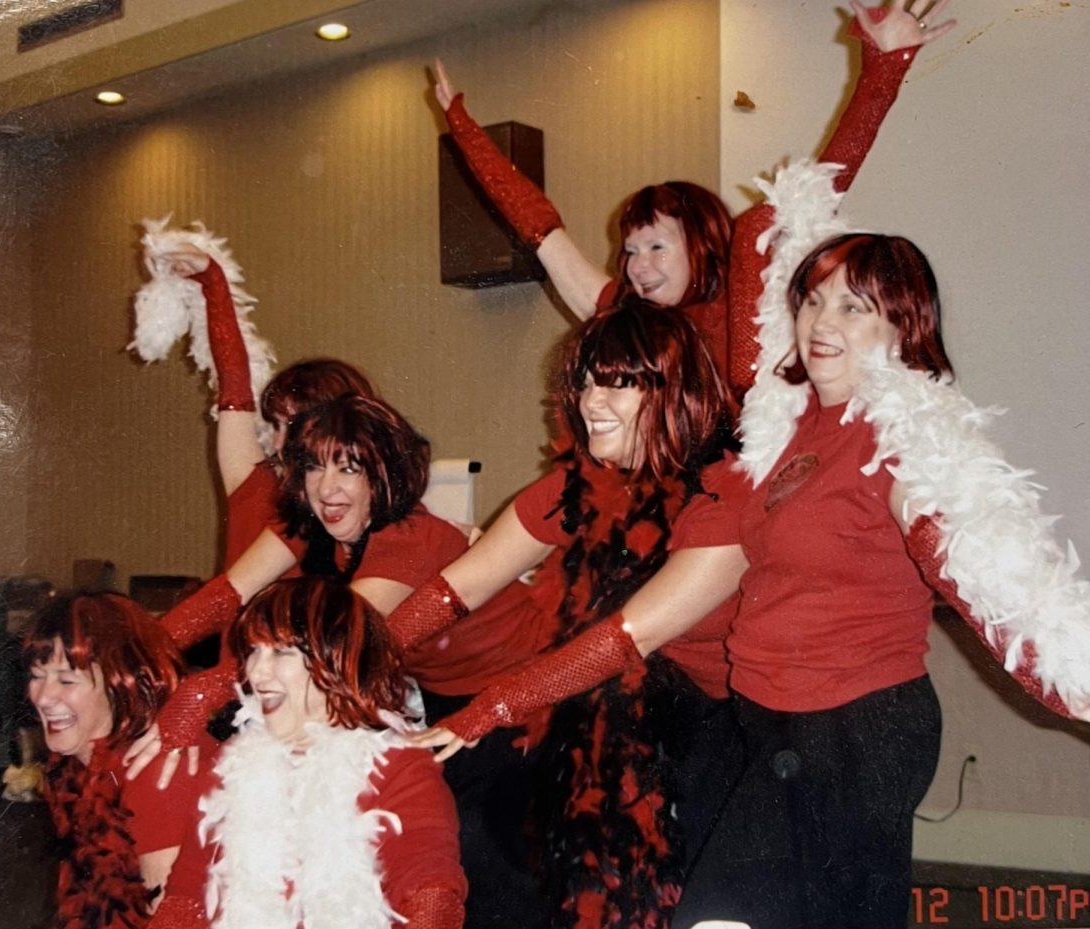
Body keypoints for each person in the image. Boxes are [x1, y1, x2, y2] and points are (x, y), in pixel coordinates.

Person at [679, 231, 1090, 928]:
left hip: (858, 731)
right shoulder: (790, 425)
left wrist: (1075, 684)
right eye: (813, 299)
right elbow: (759, 229)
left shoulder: (904, 438)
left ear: (903, 325)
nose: (822, 323)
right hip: (773, 726)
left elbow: (967, 568)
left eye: (856, 307)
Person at [386, 298, 749, 929]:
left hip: (730, 730)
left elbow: (626, 636)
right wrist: (346, 657)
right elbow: (457, 588)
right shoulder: (579, 487)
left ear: (674, 389)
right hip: (603, 708)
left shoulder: (726, 491)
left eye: (619, 382)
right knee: (489, 833)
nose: (591, 401)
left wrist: (491, 708)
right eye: (585, 382)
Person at [133, 393, 549, 929]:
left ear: (383, 476)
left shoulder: (409, 539)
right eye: (312, 466)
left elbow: (332, 650)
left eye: (348, 468)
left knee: (475, 845)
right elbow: (225, 597)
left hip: (530, 700)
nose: (327, 487)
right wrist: (126, 655)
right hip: (446, 702)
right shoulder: (321, 520)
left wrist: (193, 696)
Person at [430, 0, 955, 394]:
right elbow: (539, 225)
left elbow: (815, 189)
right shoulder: (624, 313)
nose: (638, 266)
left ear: (701, 243)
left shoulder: (749, 294)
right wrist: (465, 132)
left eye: (657, 247)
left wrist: (883, 71)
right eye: (630, 250)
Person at [150, 577, 466, 929]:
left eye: (281, 652)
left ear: (335, 662)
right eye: (253, 650)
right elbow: (186, 897)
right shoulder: (229, 766)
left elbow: (432, 895)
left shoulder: (401, 769)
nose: (256, 671)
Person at [134, 224, 380, 564]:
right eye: (276, 426)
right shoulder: (257, 490)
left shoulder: (373, 523)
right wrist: (212, 281)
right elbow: (235, 387)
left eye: (293, 426)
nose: (279, 443)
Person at [25, 592, 200, 929]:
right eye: (36, 675)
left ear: (118, 685)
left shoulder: (155, 774)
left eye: (66, 679)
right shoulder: (76, 766)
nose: (43, 696)